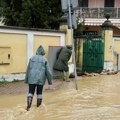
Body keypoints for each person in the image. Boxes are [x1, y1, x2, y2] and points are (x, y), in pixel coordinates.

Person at [25, 45, 52, 111]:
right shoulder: (44, 59)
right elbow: (48, 71)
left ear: (37, 51)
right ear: (43, 52)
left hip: (31, 78)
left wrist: (26, 79)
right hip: (41, 79)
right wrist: (49, 81)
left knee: (30, 92)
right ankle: (38, 108)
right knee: (39, 93)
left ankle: (28, 107)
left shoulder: (31, 58)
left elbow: (28, 69)